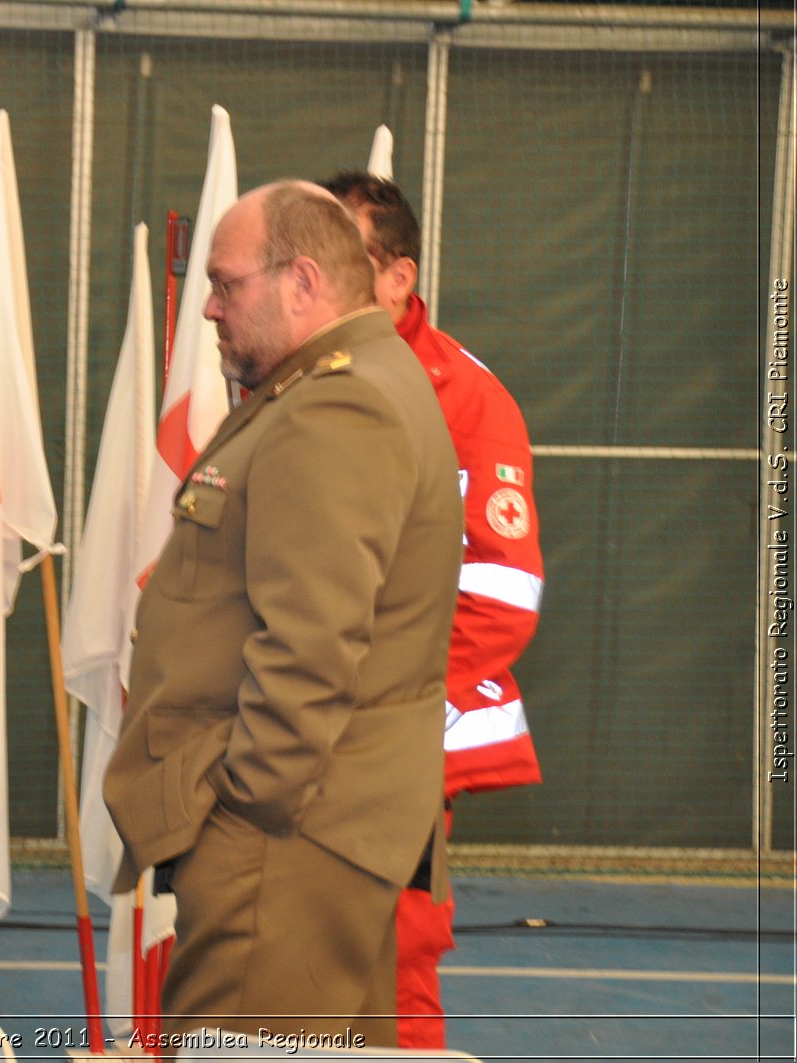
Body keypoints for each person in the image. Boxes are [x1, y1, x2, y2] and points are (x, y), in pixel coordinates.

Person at [102, 181, 462, 1049]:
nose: (212, 312)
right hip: (321, 832)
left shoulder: (338, 403)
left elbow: (310, 645)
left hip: (286, 837)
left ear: (302, 282)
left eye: (227, 286)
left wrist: (244, 809)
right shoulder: (342, 381)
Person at [321, 170, 543, 1049]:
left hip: (398, 754)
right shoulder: (280, 373)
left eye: (336, 258)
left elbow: (503, 593)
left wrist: (378, 710)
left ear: (397, 278)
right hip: (275, 739)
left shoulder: (469, 398)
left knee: (396, 959)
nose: (310, 277)